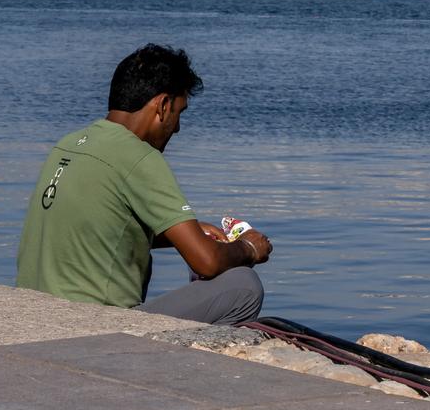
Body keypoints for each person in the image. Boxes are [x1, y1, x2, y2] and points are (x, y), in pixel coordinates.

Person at [16, 41, 272, 326]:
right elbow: (206, 261)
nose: (176, 127)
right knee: (243, 285)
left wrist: (192, 232)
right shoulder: (139, 156)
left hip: (35, 316)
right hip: (94, 326)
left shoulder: (69, 145)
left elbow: (97, 229)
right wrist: (249, 247)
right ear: (162, 105)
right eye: (179, 112)